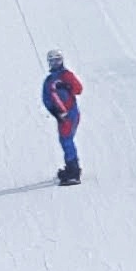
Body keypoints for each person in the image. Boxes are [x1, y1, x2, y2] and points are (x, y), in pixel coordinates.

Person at [41, 49, 82, 185]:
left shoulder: (66, 75)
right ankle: (72, 167)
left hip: (71, 113)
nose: (55, 63)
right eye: (52, 61)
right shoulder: (49, 81)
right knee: (65, 140)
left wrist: (67, 85)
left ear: (62, 60)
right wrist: (56, 114)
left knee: (66, 140)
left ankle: (73, 172)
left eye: (57, 60)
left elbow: (79, 89)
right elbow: (46, 100)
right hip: (62, 116)